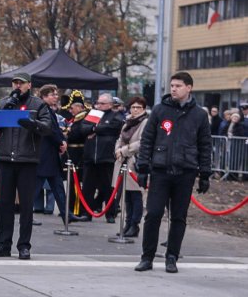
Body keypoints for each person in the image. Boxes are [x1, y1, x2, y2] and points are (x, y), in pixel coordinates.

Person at [134, 72, 212, 273]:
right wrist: (143, 168)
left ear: (189, 88)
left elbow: (205, 145)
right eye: (172, 85)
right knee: (153, 214)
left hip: (185, 172)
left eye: (178, 85)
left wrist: (205, 174)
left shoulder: (200, 115)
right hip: (161, 170)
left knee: (178, 217)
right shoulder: (160, 111)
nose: (174, 89)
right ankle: (147, 257)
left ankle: (171, 257)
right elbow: (147, 141)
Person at [0, 72, 54, 260]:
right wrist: (3, 111)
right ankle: (3, 244)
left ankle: (24, 245)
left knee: (25, 206)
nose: (17, 86)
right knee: (5, 204)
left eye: (21, 83)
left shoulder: (38, 104)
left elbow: (48, 127)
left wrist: (32, 124)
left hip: (27, 160)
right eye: (15, 83)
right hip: (7, 159)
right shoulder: (4, 102)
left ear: (29, 85)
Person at [35, 84, 82, 223]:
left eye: (56, 94)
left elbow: (55, 129)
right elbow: (50, 130)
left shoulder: (49, 109)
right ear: (44, 96)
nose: (56, 97)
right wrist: (61, 142)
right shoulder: (42, 109)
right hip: (44, 154)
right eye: (52, 94)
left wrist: (61, 140)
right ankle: (27, 215)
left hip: (51, 154)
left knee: (58, 187)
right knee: (35, 188)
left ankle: (66, 213)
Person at [78, 93, 124, 223]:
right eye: (98, 103)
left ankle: (110, 214)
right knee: (87, 187)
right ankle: (86, 213)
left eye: (102, 103)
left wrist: (95, 129)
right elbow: (83, 128)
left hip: (106, 157)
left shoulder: (116, 115)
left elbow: (113, 128)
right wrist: (93, 128)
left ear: (110, 104)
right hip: (90, 157)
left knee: (107, 188)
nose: (99, 105)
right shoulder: (93, 114)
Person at [113, 96, 149, 238]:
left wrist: (124, 150)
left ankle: (135, 225)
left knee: (135, 195)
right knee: (126, 196)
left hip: (135, 162)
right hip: (123, 161)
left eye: (138, 107)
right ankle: (127, 223)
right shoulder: (127, 122)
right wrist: (118, 149)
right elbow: (120, 138)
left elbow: (142, 142)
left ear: (143, 109)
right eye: (133, 107)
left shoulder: (145, 122)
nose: (135, 110)